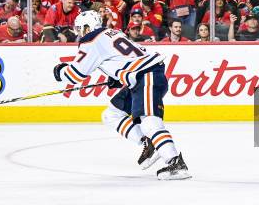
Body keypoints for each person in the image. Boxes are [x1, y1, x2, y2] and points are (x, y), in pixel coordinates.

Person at [53, 10, 190, 180]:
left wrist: (60, 71)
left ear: (87, 27)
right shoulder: (111, 33)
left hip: (146, 76)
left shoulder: (91, 40)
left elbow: (76, 74)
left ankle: (175, 162)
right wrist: (117, 76)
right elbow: (126, 57)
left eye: (80, 28)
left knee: (149, 122)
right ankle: (149, 144)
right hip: (141, 76)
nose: (79, 32)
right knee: (111, 114)